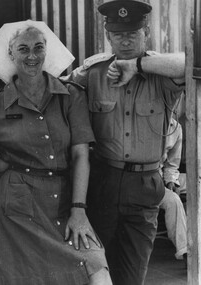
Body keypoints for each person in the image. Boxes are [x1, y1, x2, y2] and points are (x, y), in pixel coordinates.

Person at [62, 1, 185, 284]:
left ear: (147, 33)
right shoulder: (93, 73)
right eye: (118, 34)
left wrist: (137, 64)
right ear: (108, 36)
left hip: (144, 187)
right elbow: (56, 91)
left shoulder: (161, 74)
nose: (126, 39)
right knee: (95, 271)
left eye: (133, 32)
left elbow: (190, 64)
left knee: (132, 276)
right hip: (102, 181)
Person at [0, 21, 112, 285]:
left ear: (46, 51)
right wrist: (1, 167)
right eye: (23, 49)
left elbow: (81, 155)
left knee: (95, 267)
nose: (32, 56)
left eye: (38, 47)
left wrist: (79, 210)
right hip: (17, 209)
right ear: (11, 55)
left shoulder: (70, 96)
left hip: (65, 201)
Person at [159, 118, 187, 263]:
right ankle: (186, 251)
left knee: (195, 183)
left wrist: (171, 181)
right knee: (173, 201)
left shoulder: (175, 127)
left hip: (163, 177)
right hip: (149, 181)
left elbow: (171, 165)